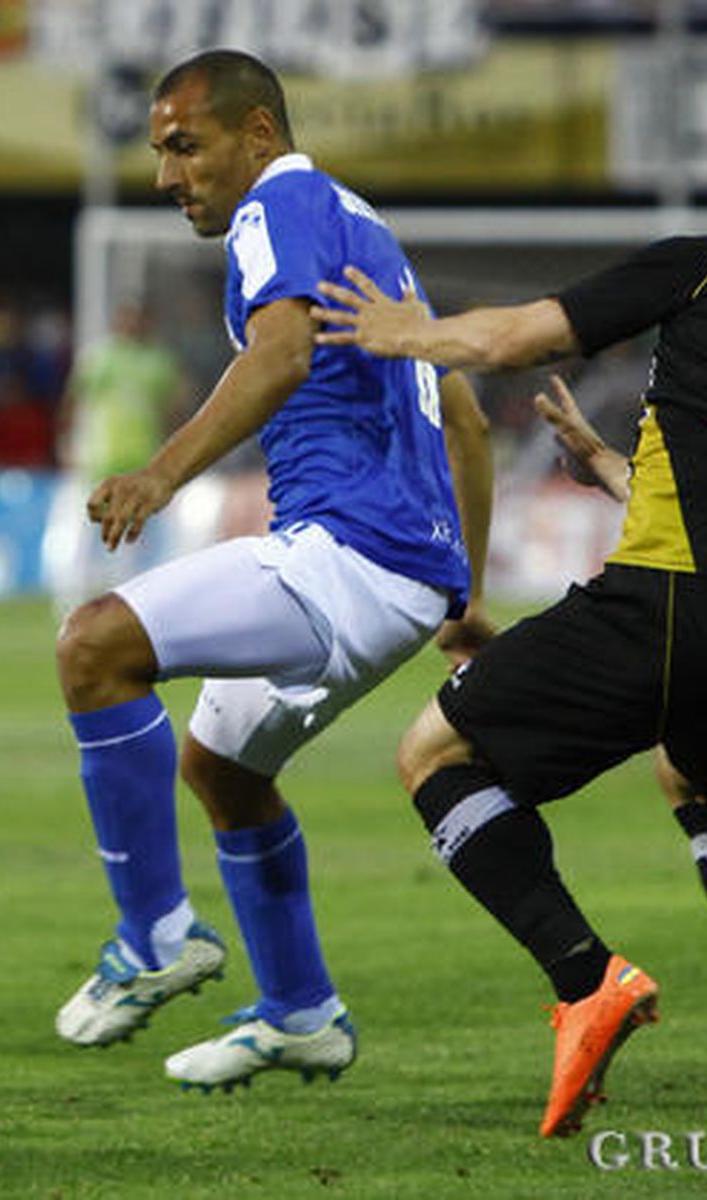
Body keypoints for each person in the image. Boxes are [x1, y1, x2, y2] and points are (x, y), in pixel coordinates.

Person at [314, 93, 707, 1136]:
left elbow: (516, 338)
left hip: (666, 603)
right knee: (702, 777)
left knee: (435, 754)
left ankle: (586, 982)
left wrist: (408, 333)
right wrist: (617, 471)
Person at [52, 48, 495, 1093]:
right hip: (403, 571)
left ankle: (154, 936)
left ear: (256, 135)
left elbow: (281, 354)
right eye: (160, 151)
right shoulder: (370, 235)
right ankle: (301, 1012)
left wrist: (160, 475)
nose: (167, 176)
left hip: (344, 551)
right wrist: (464, 594)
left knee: (93, 647)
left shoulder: (279, 203)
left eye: (183, 145)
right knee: (223, 771)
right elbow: (465, 417)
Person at [43, 303, 187, 609]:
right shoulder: (100, 357)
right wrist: (66, 443)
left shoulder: (158, 362)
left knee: (131, 542)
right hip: (96, 462)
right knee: (81, 534)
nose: (133, 324)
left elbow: (175, 406)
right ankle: (69, 599)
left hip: (140, 463)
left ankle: (126, 604)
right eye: (128, 317)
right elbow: (72, 401)